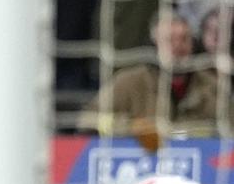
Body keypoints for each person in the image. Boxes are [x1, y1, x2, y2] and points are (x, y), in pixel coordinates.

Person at [82, 14, 221, 137]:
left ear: (193, 44)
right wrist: (132, 128)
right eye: (170, 40)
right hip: (139, 160)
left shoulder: (211, 86)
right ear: (155, 45)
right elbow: (88, 120)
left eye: (184, 39)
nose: (178, 46)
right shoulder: (128, 82)